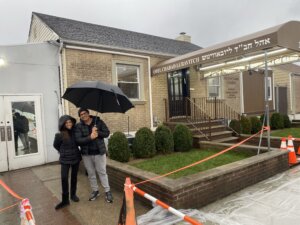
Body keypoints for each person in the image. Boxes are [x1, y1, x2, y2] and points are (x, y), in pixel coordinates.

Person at [75, 108, 113, 203]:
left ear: (88, 113)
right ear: (80, 116)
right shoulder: (78, 126)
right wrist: (90, 137)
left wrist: (98, 132)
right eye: (81, 114)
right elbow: (78, 140)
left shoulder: (98, 122)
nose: (83, 115)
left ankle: (107, 191)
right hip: (86, 154)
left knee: (102, 172)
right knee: (91, 173)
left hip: (99, 153)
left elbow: (107, 133)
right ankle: (95, 190)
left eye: (84, 113)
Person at [53, 115, 82, 210]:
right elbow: (56, 145)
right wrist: (63, 152)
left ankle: (73, 195)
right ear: (63, 124)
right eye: (66, 123)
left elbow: (79, 142)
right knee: (64, 178)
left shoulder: (75, 133)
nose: (69, 124)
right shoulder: (60, 135)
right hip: (65, 159)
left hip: (75, 158)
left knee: (74, 177)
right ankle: (65, 200)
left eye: (70, 122)